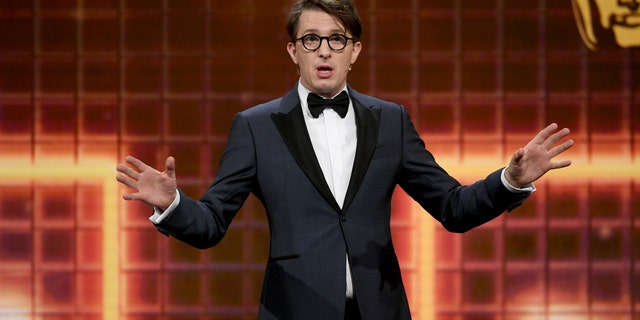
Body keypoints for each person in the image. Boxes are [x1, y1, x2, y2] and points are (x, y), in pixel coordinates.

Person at [116, 0, 574, 319]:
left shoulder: (390, 121)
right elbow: (212, 224)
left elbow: (453, 208)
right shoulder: (256, 127)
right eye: (311, 39)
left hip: (381, 310)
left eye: (337, 40)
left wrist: (509, 182)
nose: (324, 51)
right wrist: (173, 205)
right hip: (295, 309)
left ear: (355, 51)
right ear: (293, 50)